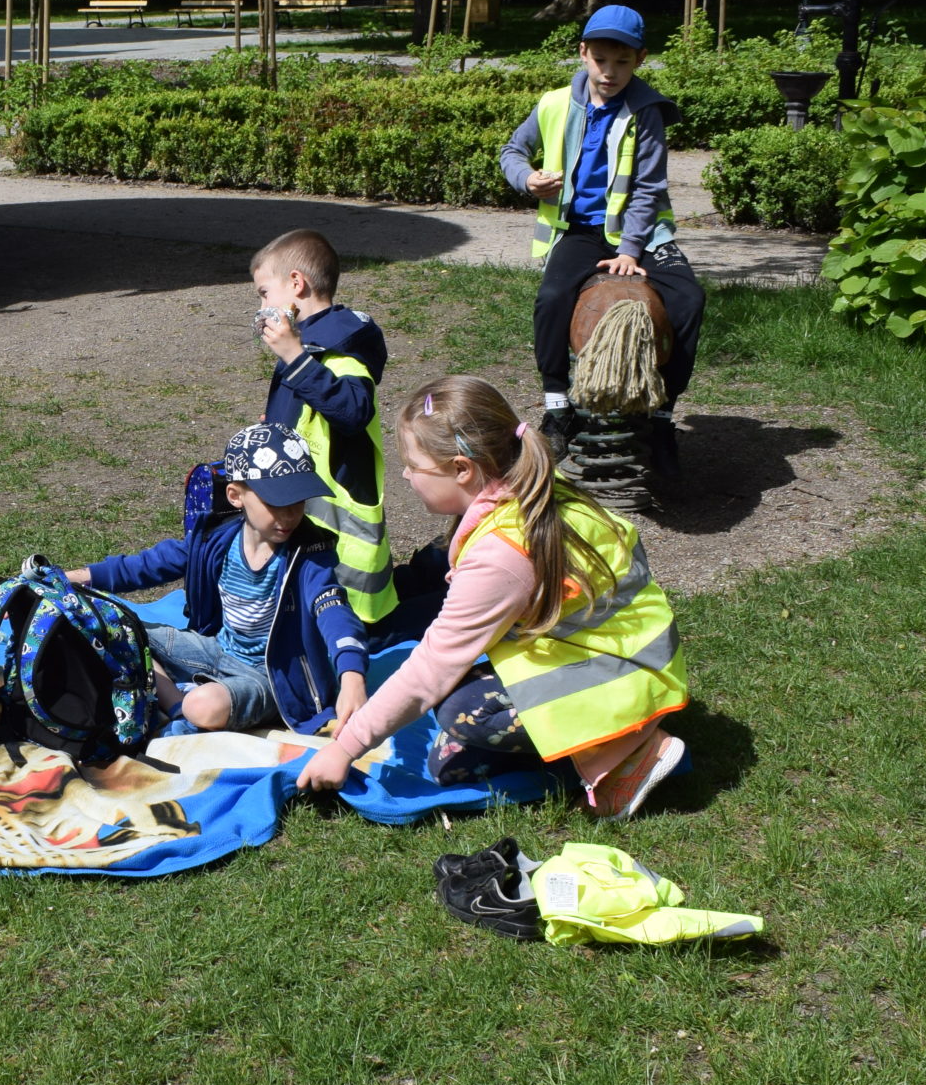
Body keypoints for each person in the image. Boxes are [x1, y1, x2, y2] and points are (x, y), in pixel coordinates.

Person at [295, 376, 689, 818]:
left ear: (462, 469)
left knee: (463, 712)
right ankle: (599, 740)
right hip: (625, 655)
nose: (405, 474)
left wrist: (345, 748)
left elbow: (433, 667)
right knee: (451, 765)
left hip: (620, 679)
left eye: (413, 464)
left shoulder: (503, 553)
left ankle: (628, 748)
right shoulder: (535, 488)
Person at [500, 4, 705, 475]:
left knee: (689, 300)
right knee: (552, 299)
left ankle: (662, 415)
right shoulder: (554, 103)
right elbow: (512, 149)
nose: (609, 72)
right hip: (582, 232)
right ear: (583, 53)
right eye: (600, 60)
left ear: (640, 59)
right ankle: (557, 407)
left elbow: (649, 188)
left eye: (622, 62)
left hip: (642, 233)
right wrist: (526, 178)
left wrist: (631, 251)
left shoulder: (647, 111)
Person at [66, 423, 369, 735]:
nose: (290, 514)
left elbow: (334, 610)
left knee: (203, 706)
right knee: (116, 626)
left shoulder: (310, 555)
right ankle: (175, 704)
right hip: (217, 650)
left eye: (299, 501)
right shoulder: (216, 539)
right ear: (236, 496)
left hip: (272, 678)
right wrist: (77, 578)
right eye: (276, 502)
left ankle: (182, 704)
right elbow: (148, 565)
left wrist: (351, 675)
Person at [253, 228, 396, 628]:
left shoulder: (339, 345)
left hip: (341, 544)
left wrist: (295, 357)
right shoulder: (309, 344)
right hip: (307, 520)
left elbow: (352, 410)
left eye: (264, 293)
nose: (261, 306)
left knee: (343, 615)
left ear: (296, 283)